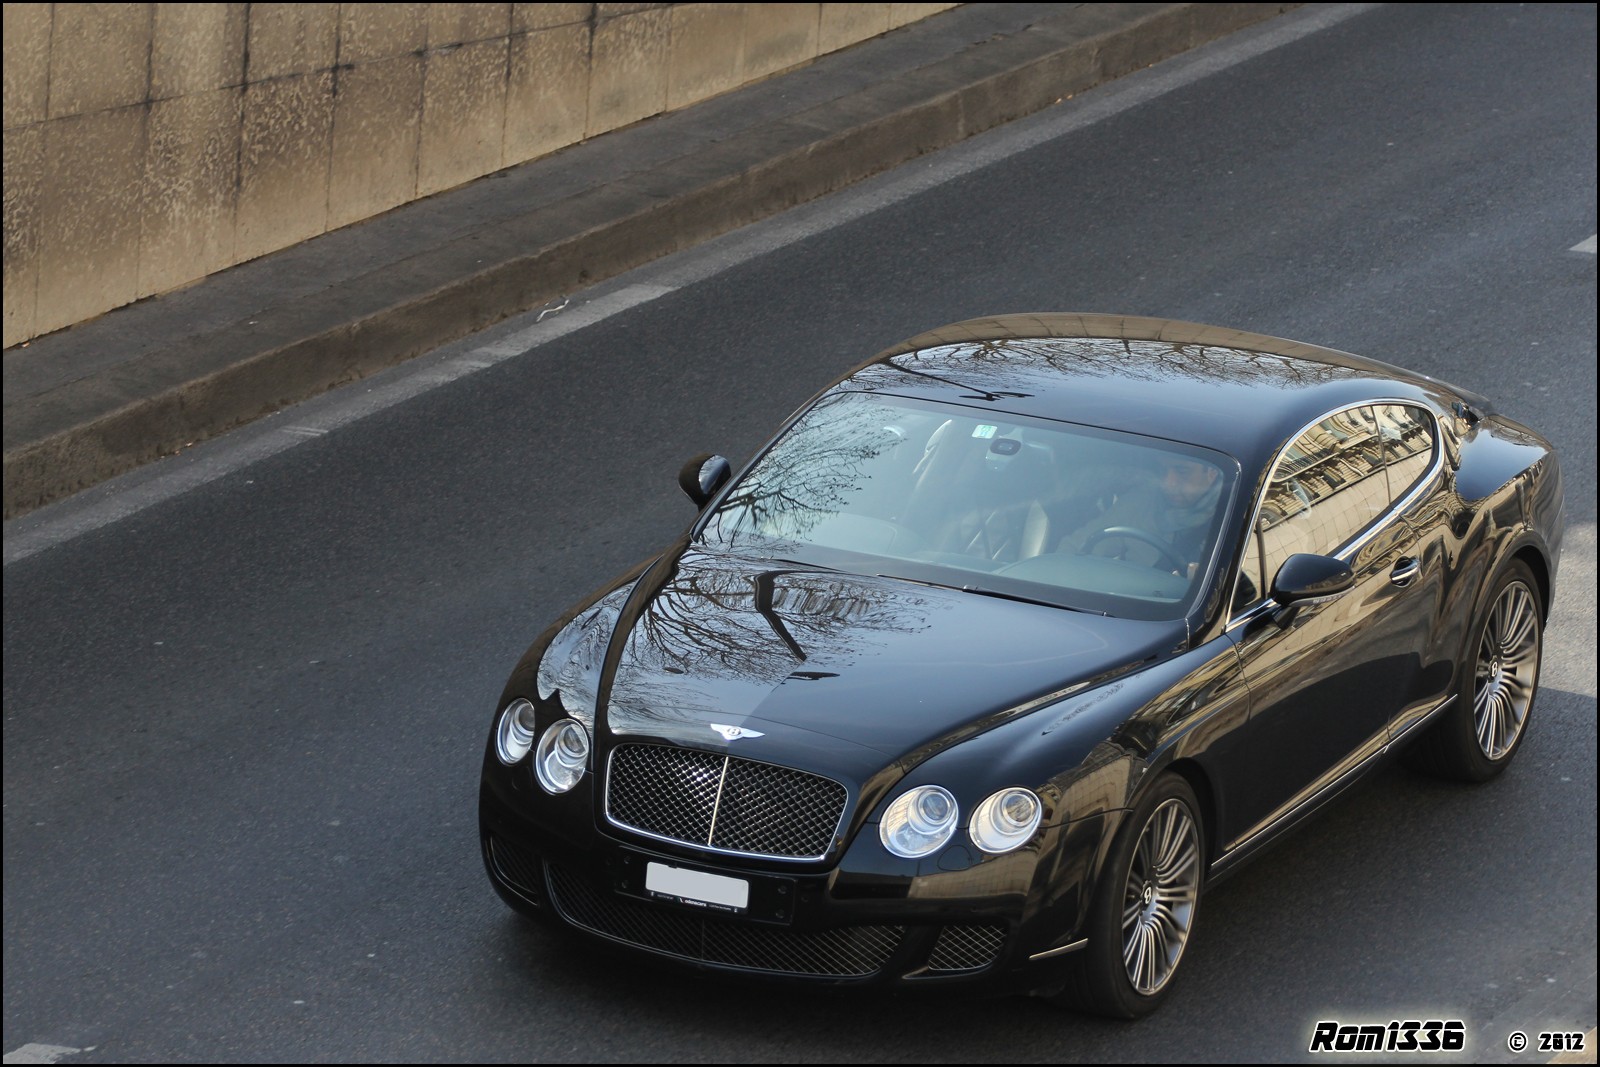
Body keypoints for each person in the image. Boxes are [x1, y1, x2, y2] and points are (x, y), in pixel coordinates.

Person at [1065, 453, 1223, 576]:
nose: (1168, 483)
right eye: (1163, 471)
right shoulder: (1141, 501)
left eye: (1182, 472)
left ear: (1212, 472)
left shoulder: (1233, 515)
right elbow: (1075, 547)